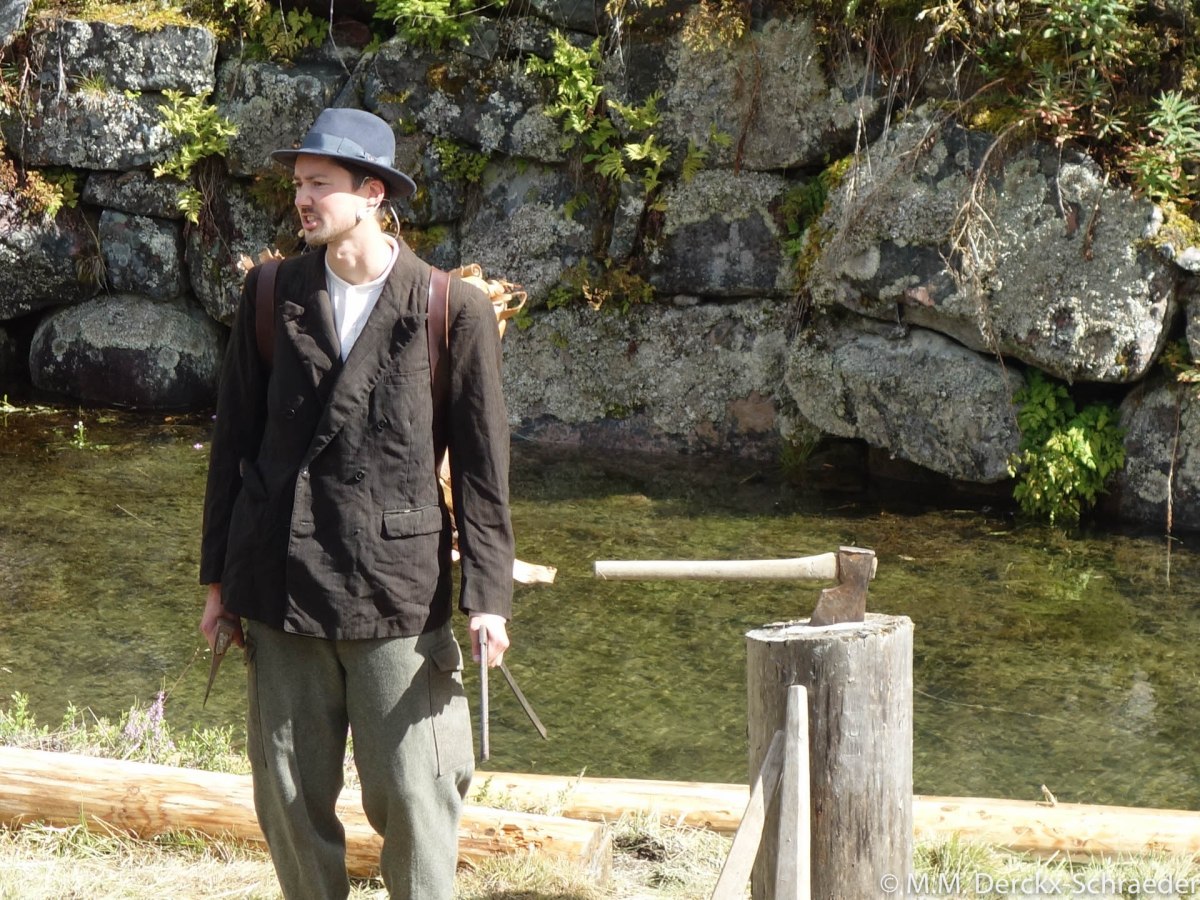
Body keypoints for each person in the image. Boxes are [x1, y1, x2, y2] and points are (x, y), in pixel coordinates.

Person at [198, 107, 515, 900]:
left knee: (416, 792)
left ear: (372, 194)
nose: (302, 199)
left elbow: (483, 468)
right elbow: (233, 445)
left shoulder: (450, 308)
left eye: (320, 185)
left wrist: (488, 598)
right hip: (280, 582)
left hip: (395, 591)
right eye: (298, 184)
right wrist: (217, 584)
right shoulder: (269, 294)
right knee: (289, 795)